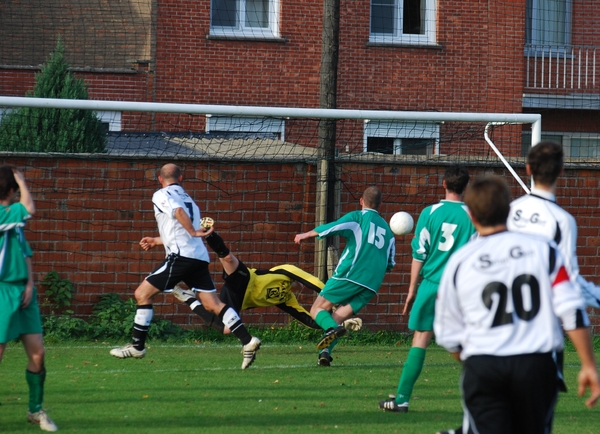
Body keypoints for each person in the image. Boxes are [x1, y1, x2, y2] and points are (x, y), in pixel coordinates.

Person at [439, 141, 600, 434]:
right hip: (536, 361)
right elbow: (570, 302)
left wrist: (476, 360)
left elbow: (449, 334)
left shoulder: (461, 260)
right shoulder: (547, 246)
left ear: (472, 216)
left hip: (484, 362)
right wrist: (589, 363)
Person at [109, 163, 261, 369]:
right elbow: (179, 227)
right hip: (198, 257)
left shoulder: (161, 194)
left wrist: (193, 231)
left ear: (160, 179)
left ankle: (137, 346)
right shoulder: (190, 199)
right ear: (181, 178)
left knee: (142, 294)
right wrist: (156, 240)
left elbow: (178, 213)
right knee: (213, 304)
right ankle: (247, 340)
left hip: (181, 257)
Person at [172, 231, 363, 366]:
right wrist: (336, 301)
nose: (300, 286)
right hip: (246, 280)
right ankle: (209, 234)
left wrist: (338, 322)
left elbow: (310, 321)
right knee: (228, 260)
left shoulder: (287, 299)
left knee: (226, 330)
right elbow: (312, 281)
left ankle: (189, 299)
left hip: (238, 301)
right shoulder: (286, 270)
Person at [379, 164, 475, 413]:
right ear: (466, 187)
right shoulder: (474, 215)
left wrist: (412, 289)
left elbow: (419, 254)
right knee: (472, 343)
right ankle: (496, 397)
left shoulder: (429, 212)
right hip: (461, 288)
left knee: (420, 339)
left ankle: (402, 398)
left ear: (444, 184)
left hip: (431, 285)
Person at [294, 186, 395, 365]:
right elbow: (390, 264)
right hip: (372, 285)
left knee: (317, 309)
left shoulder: (357, 217)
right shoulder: (388, 230)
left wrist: (306, 234)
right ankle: (325, 353)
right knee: (338, 317)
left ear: (361, 201)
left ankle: (332, 329)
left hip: (350, 275)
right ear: (380, 204)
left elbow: (333, 228)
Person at [0, 166, 58, 432]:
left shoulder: (14, 223)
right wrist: (22, 180)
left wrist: (30, 284)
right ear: (11, 190)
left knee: (38, 353)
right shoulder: (5, 214)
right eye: (17, 186)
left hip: (23, 291)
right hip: (2, 291)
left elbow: (24, 252)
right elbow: (30, 208)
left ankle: (35, 411)